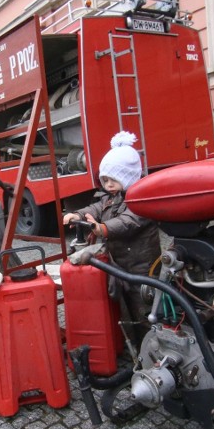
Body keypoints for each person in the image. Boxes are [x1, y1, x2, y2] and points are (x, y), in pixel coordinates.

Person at [62, 131, 161, 342]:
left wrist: (103, 229)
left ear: (128, 177)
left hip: (142, 264)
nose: (107, 185)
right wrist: (77, 215)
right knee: (123, 304)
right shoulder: (110, 197)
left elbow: (129, 221)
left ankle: (153, 344)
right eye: (105, 180)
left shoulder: (141, 199)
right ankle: (133, 343)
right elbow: (96, 207)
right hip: (119, 263)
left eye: (113, 180)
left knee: (144, 306)